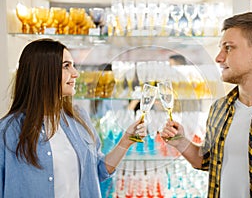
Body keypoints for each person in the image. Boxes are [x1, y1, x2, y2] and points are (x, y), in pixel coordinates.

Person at [161, 12, 252, 198]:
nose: (219, 57)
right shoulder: (219, 108)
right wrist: (180, 142)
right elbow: (206, 161)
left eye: (228, 48)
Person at [0, 38, 146, 197]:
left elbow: (99, 170)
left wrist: (126, 141)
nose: (75, 74)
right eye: (66, 66)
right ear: (43, 72)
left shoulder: (78, 119)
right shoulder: (7, 132)